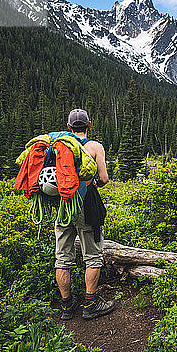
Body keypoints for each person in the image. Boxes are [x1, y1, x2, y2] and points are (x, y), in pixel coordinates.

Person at [56, 108, 114, 320]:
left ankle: (67, 306)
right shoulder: (95, 147)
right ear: (89, 125)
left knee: (63, 258)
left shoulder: (58, 146)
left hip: (63, 206)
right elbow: (104, 178)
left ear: (69, 127)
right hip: (86, 206)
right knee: (92, 256)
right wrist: (92, 183)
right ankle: (90, 304)